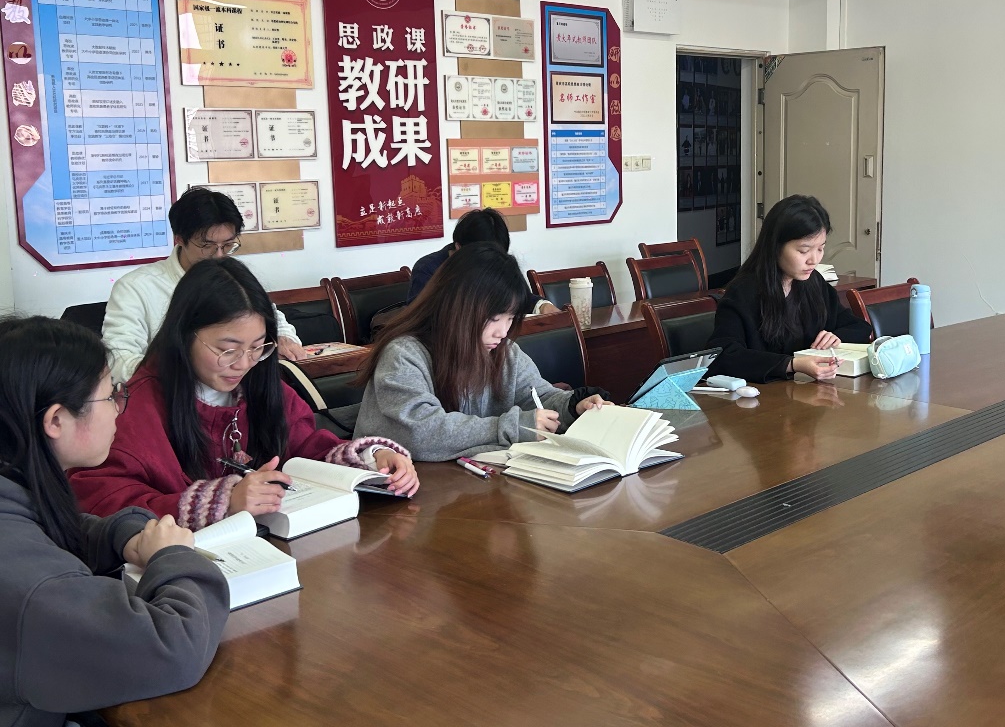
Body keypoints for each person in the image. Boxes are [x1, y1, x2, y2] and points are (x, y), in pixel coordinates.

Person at [0, 315, 229, 727]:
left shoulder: (15, 486)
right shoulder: (33, 587)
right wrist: (175, 559)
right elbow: (174, 649)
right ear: (56, 420)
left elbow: (49, 530)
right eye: (110, 395)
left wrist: (122, 533)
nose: (119, 409)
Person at [72, 259, 418, 529]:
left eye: (257, 347)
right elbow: (102, 500)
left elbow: (306, 448)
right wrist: (221, 502)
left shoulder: (261, 387)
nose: (243, 364)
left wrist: (371, 459)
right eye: (227, 349)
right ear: (184, 335)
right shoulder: (137, 407)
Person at [356, 243, 609, 461]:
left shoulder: (504, 352)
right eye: (494, 318)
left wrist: (573, 407)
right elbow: (421, 433)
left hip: (472, 485)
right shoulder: (404, 355)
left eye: (510, 318)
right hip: (407, 492)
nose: (503, 332)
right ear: (458, 307)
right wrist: (512, 427)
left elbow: (538, 397)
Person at [102, 188, 308, 382]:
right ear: (179, 239)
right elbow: (118, 358)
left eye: (227, 245)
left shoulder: (233, 277)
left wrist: (283, 338)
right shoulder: (135, 288)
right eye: (207, 246)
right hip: (171, 395)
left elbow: (273, 318)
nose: (219, 256)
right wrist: (184, 372)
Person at [707, 194, 872, 383]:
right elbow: (722, 356)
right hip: (765, 396)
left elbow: (860, 327)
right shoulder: (743, 292)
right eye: (804, 251)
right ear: (775, 246)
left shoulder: (813, 282)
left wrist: (835, 337)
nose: (814, 260)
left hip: (808, 391)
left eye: (820, 248)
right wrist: (792, 364)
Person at [407, 207, 558, 314]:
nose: (490, 265)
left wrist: (542, 306)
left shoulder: (500, 262)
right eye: (483, 258)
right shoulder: (428, 269)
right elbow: (420, 318)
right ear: (459, 247)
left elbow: (521, 298)